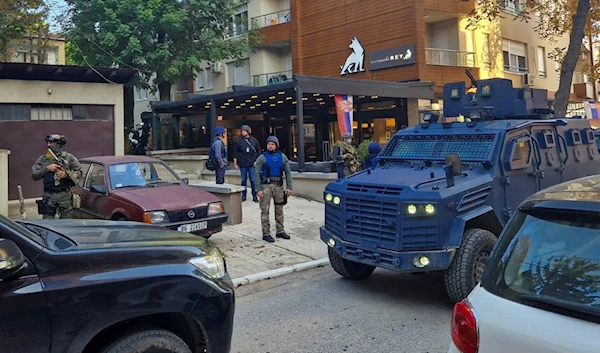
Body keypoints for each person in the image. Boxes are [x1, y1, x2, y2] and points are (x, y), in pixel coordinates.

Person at [31, 134, 82, 219]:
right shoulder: (43, 159)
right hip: (49, 196)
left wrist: (66, 175)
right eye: (48, 142)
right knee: (48, 223)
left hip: (65, 196)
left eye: (51, 143)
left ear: (59, 144)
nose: (48, 145)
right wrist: (47, 169)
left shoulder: (69, 158)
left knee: (67, 222)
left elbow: (79, 172)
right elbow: (34, 175)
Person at [253, 136, 293, 243]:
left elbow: (288, 172)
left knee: (279, 209)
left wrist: (289, 187)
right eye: (268, 144)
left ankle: (280, 231)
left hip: (278, 186)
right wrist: (258, 189)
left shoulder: (282, 157)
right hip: (266, 186)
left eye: (272, 144)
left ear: (276, 145)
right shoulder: (262, 157)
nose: (270, 146)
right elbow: (256, 173)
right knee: (265, 210)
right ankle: (266, 233)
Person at [233, 124, 261, 202]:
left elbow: (259, 151)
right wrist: (235, 164)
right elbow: (235, 153)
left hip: (252, 163)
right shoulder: (239, 141)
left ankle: (254, 196)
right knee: (243, 180)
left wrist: (256, 161)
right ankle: (243, 195)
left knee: (253, 180)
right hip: (242, 163)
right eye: (242, 131)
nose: (243, 132)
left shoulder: (254, 140)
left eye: (244, 131)